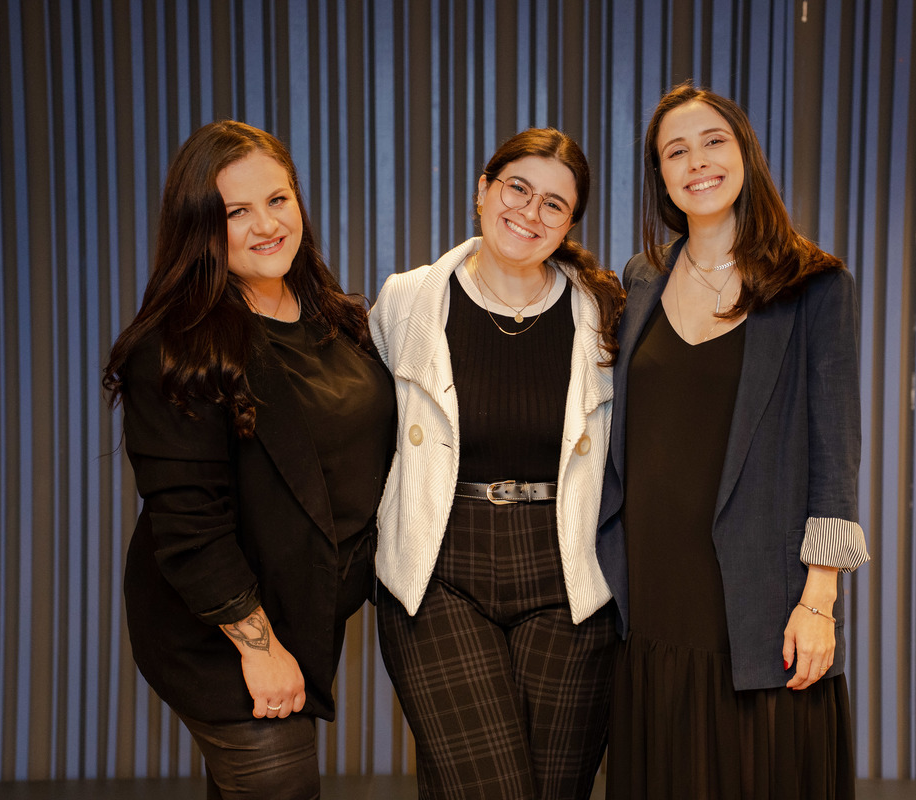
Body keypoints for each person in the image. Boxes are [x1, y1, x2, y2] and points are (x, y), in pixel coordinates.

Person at [102, 120, 395, 800]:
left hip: (304, 613)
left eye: (278, 199)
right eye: (236, 212)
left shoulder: (333, 316)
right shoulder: (176, 347)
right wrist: (259, 650)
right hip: (218, 632)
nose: (267, 225)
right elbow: (190, 526)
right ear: (199, 227)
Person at [596, 83, 871, 799]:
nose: (697, 162)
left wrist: (819, 602)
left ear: (745, 152)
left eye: (713, 142)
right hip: (653, 601)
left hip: (763, 608)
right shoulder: (641, 280)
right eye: (675, 152)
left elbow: (836, 453)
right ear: (660, 177)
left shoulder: (814, 284)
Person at [370, 128, 625, 800]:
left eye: (554, 204)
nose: (530, 212)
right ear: (483, 190)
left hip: (568, 572)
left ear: (569, 224)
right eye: (518, 188)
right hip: (439, 569)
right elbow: (364, 432)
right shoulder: (407, 300)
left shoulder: (605, 313)